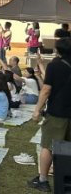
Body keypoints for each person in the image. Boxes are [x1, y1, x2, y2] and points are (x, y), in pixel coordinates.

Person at [29, 37, 71, 191]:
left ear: (57, 50)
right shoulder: (57, 65)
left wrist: (37, 110)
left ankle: (43, 180)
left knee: (48, 145)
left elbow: (46, 89)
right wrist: (41, 64)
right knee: (68, 146)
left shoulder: (55, 65)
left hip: (57, 113)